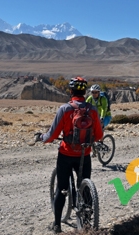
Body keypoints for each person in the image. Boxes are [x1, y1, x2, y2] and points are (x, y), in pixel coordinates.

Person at [35, 77, 103, 234]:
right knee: (85, 187)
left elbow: (51, 135)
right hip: (84, 155)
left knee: (61, 188)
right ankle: (87, 222)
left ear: (71, 91)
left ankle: (57, 225)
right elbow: (99, 135)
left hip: (66, 154)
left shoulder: (65, 109)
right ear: (85, 92)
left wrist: (41, 138)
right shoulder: (92, 110)